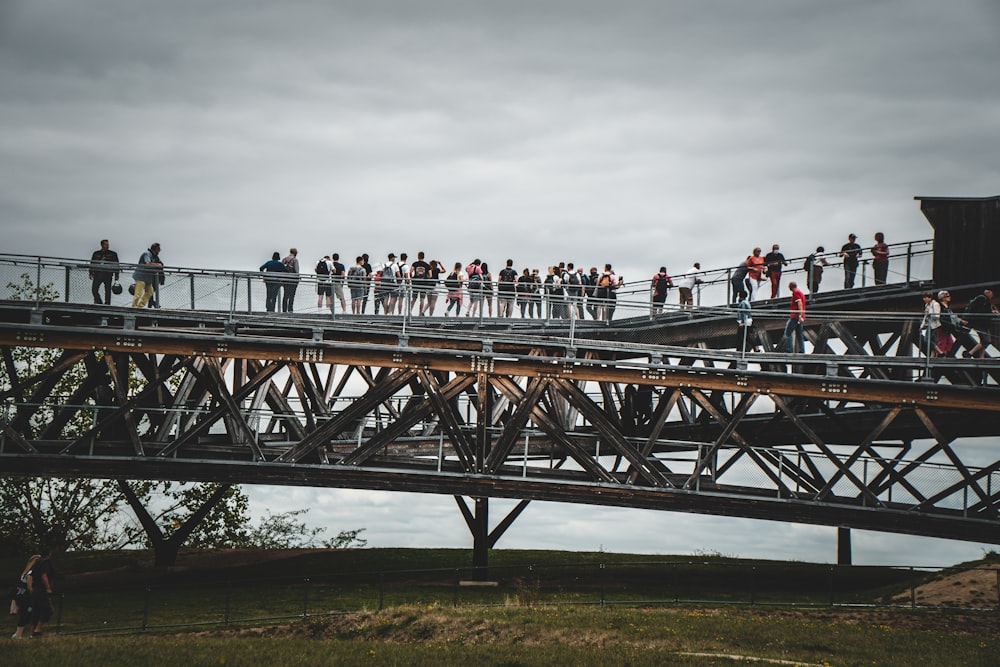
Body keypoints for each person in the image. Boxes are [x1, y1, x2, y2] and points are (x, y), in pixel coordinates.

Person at [938, 290, 984, 358]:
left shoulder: (947, 307)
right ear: (943, 298)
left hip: (951, 325)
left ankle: (950, 354)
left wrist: (961, 321)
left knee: (960, 336)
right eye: (948, 296)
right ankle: (950, 354)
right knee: (960, 336)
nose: (950, 297)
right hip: (946, 326)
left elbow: (952, 316)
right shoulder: (941, 307)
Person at [26, 548, 54, 638]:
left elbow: (30, 575)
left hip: (35, 589)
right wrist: (48, 587)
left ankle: (31, 634)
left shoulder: (36, 563)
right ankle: (37, 630)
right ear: (49, 554)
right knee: (47, 610)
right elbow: (44, 575)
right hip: (41, 589)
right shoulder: (45, 562)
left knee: (36, 611)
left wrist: (30, 587)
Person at [11, 554, 40, 639]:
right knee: (25, 615)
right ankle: (18, 635)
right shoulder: (31, 573)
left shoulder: (25, 572)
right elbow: (29, 586)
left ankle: (18, 633)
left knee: (26, 615)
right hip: (27, 598)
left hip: (21, 596)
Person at [963, 287, 996, 353]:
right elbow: (980, 311)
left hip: (984, 324)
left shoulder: (985, 300)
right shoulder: (982, 298)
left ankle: (981, 356)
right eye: (992, 294)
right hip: (980, 323)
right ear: (989, 293)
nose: (992, 296)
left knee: (984, 341)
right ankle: (969, 353)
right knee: (986, 341)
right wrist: (992, 313)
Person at [131, 242, 163, 308]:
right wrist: (157, 265)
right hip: (141, 276)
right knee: (138, 293)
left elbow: (161, 264)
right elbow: (147, 263)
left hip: (148, 278)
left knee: (150, 291)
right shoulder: (147, 254)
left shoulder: (155, 257)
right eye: (158, 249)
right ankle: (134, 306)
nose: (159, 251)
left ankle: (140, 306)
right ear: (155, 249)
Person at [89, 239, 120, 305]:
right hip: (98, 274)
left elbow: (117, 265)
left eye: (108, 244)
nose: (107, 246)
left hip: (108, 274)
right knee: (94, 290)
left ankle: (107, 304)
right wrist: (91, 273)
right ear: (102, 245)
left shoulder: (113, 254)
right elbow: (92, 263)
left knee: (108, 291)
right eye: (106, 244)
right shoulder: (96, 253)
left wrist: (116, 276)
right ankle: (99, 302)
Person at [782, 280, 806, 353]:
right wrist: (802, 316)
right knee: (799, 334)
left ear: (790, 287)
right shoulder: (801, 293)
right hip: (799, 317)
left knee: (788, 332)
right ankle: (802, 350)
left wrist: (800, 315)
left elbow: (799, 304)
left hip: (795, 316)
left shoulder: (796, 293)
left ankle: (788, 350)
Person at [919, 291, 943, 357]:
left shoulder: (935, 304)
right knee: (933, 341)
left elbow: (937, 316)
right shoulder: (926, 305)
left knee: (927, 340)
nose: (924, 299)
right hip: (928, 324)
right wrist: (922, 326)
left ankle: (940, 352)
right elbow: (925, 316)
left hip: (933, 325)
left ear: (929, 298)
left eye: (925, 297)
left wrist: (930, 315)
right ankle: (933, 355)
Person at [280, 248, 300, 313]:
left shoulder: (284, 259)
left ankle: (284, 310)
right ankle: (290, 310)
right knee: (292, 296)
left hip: (285, 280)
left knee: (285, 295)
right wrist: (298, 278)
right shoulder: (295, 260)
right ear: (295, 253)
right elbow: (297, 271)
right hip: (293, 281)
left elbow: (281, 270)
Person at [736, 290, 755, 355]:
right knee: (746, 336)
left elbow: (743, 312)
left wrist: (742, 322)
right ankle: (756, 348)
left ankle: (739, 350)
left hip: (745, 321)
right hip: (748, 321)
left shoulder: (742, 303)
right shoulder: (747, 302)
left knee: (740, 336)